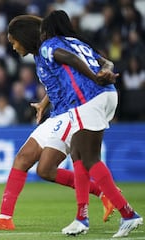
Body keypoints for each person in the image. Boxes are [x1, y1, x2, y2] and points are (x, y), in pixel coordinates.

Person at [0, 15, 116, 231]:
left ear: (25, 37)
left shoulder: (51, 48)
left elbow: (81, 65)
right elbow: (60, 81)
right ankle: (6, 219)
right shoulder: (39, 55)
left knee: (32, 161)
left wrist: (97, 73)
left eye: (14, 41)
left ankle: (103, 197)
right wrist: (44, 103)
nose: (13, 47)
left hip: (72, 112)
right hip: (57, 114)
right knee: (42, 169)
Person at [38, 10, 142, 237]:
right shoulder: (78, 42)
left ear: (48, 29)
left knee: (90, 158)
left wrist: (95, 78)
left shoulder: (49, 45)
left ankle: (128, 213)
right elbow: (107, 61)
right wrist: (104, 71)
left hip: (88, 98)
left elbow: (70, 60)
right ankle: (81, 218)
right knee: (77, 154)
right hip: (107, 94)